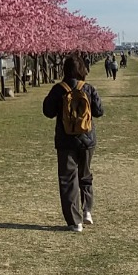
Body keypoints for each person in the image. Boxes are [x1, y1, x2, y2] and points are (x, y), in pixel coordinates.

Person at [43, 52, 104, 231]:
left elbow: (47, 111)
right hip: (87, 140)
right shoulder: (89, 88)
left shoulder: (58, 89)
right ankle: (87, 211)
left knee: (68, 179)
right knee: (85, 175)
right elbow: (99, 111)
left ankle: (74, 221)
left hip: (65, 141)